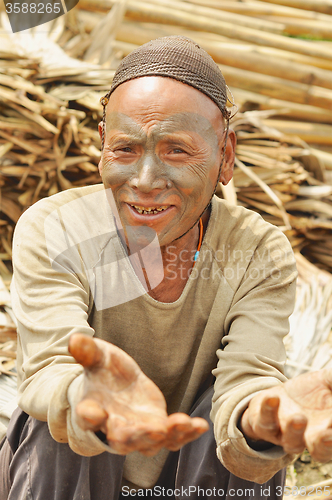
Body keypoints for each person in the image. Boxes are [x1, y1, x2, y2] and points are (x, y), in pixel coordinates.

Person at [1, 36, 332, 500]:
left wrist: (260, 421)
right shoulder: (56, 230)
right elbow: (48, 370)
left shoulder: (257, 252)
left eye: (177, 150)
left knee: (223, 420)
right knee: (69, 413)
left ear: (227, 156)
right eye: (125, 149)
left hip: (186, 481)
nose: (145, 181)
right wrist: (86, 398)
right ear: (101, 148)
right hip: (71, 473)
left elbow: (246, 380)